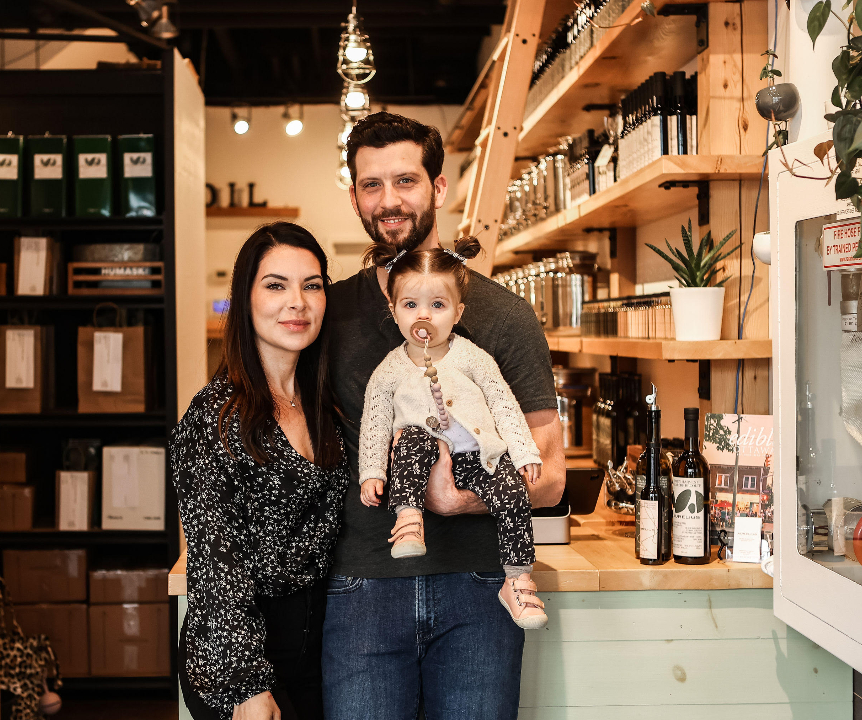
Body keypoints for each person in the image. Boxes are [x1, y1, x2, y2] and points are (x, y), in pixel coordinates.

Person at [323, 112, 567, 718]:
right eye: (371, 186)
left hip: (482, 589)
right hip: (362, 588)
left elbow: (553, 474)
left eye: (405, 181)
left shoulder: (503, 316)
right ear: (354, 195)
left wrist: (457, 499)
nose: (389, 202)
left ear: (438, 188)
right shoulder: (330, 314)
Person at [172, 222, 349, 720]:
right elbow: (215, 568)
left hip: (315, 645)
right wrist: (249, 687)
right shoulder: (215, 418)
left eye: (311, 285)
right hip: (237, 657)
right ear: (244, 299)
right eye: (276, 285)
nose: (298, 302)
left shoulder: (325, 408)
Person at [356, 237, 547, 629]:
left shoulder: (473, 357)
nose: (423, 315)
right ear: (394, 311)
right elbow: (373, 424)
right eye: (411, 305)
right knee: (407, 439)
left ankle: (517, 578)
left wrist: (525, 452)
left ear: (456, 312)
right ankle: (408, 520)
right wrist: (371, 472)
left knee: (512, 492)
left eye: (437, 305)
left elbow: (504, 404)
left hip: (480, 457)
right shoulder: (388, 370)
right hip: (420, 459)